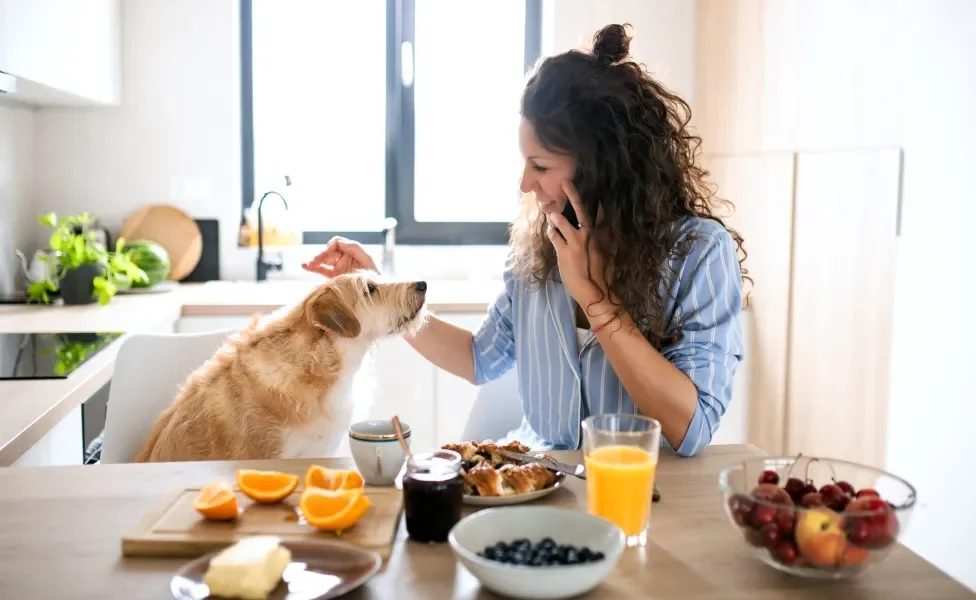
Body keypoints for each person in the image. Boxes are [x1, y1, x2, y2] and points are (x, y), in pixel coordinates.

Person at [303, 24, 747, 457]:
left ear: (603, 168)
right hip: (537, 486)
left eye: (541, 166)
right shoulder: (536, 248)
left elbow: (691, 428)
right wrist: (380, 292)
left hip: (642, 496)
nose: (524, 184)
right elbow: (479, 359)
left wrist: (593, 298)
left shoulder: (698, 254)